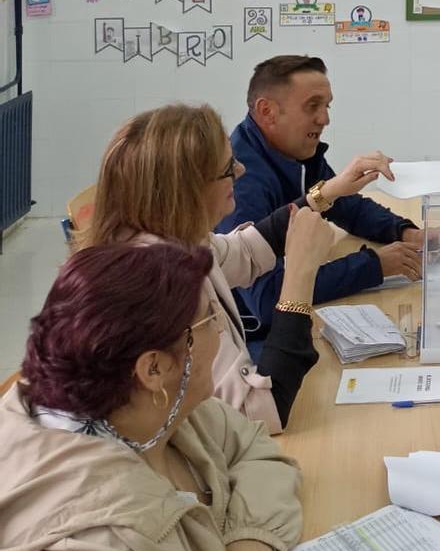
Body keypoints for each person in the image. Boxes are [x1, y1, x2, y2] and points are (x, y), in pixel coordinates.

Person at [0, 243, 437, 551]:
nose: (218, 331)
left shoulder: (146, 410)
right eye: (207, 320)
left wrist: (250, 533)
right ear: (154, 368)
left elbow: (250, 445)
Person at [81, 103, 338, 431]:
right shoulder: (162, 284)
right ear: (186, 190)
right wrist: (301, 273)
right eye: (228, 168)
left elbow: (241, 251)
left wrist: (325, 194)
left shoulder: (161, 237)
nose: (241, 171)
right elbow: (258, 412)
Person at [219, 55, 440, 335]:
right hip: (253, 338)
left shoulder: (294, 151)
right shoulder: (241, 183)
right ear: (267, 111)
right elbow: (266, 299)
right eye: (312, 106)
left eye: (326, 106)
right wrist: (374, 265)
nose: (325, 119)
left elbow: (343, 205)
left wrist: (406, 232)